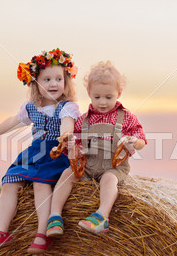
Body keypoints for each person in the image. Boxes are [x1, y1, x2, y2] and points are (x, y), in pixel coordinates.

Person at [0, 48, 80, 253]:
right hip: (35, 152)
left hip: (56, 153)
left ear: (66, 82)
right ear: (35, 83)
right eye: (47, 79)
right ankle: (1, 233)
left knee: (40, 184)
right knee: (9, 181)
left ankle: (42, 234)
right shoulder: (31, 106)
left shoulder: (67, 107)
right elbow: (13, 122)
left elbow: (67, 125)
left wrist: (66, 136)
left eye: (58, 79)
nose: (53, 84)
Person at [46, 61, 146, 237]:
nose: (102, 102)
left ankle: (102, 216)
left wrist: (134, 142)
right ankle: (55, 216)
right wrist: (71, 146)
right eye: (97, 97)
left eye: (108, 97)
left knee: (108, 180)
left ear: (119, 94)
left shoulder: (126, 117)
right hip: (87, 165)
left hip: (113, 166)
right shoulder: (83, 120)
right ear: (89, 94)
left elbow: (141, 139)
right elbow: (75, 144)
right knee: (66, 174)